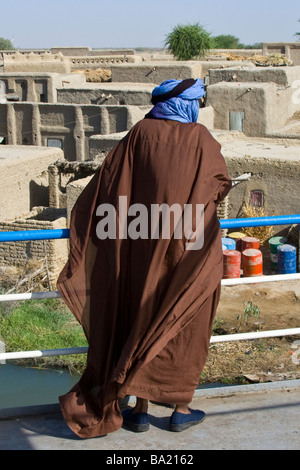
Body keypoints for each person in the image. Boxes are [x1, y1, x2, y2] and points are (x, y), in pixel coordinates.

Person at [57, 78, 232, 438]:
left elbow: (109, 182)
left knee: (139, 315)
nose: (198, 107)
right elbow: (218, 183)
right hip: (188, 255)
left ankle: (139, 408)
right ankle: (180, 409)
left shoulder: (138, 134)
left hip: (140, 251)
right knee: (185, 322)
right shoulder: (201, 139)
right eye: (195, 100)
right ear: (183, 103)